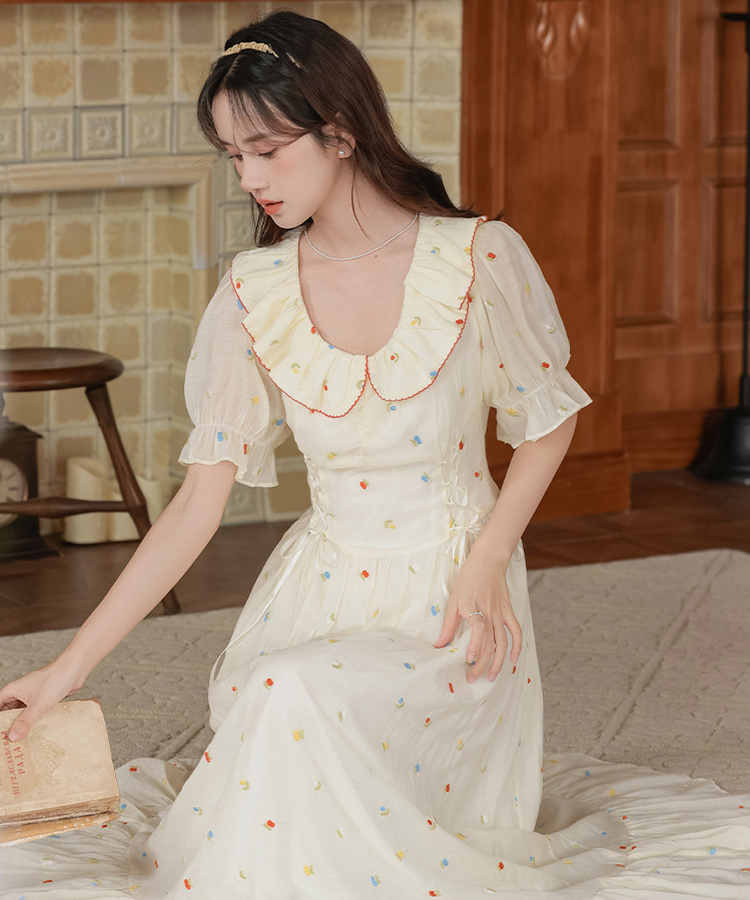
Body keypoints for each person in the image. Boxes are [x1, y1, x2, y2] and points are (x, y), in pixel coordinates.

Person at [0, 11, 747, 900]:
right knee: (284, 694)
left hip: (453, 599)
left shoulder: (478, 257)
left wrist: (488, 561)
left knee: (292, 699)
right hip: (314, 597)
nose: (250, 178)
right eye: (232, 156)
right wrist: (68, 668)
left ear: (342, 131)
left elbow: (548, 424)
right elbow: (196, 508)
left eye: (267, 150)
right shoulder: (252, 292)